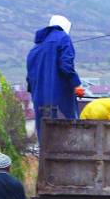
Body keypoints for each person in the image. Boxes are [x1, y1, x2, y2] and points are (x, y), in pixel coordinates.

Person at [26, 15, 83, 143]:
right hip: (61, 100)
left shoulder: (35, 48)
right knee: (71, 133)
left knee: (46, 139)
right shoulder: (63, 38)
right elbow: (66, 65)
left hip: (40, 103)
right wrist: (77, 85)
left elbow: (30, 80)